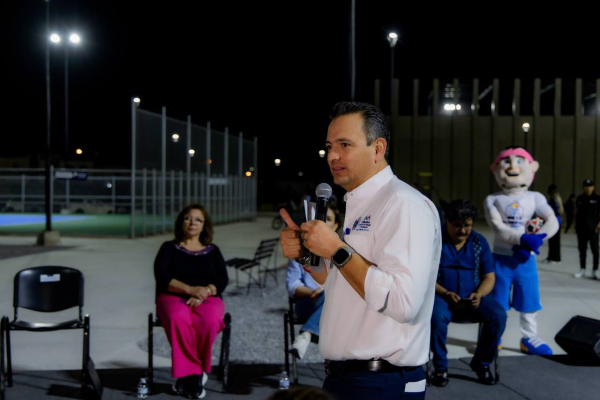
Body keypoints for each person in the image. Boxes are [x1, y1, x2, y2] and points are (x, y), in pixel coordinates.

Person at [279, 101, 441, 400]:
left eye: (345, 144)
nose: (332, 156)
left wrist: (336, 248)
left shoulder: (402, 204)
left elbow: (403, 302)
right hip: (349, 377)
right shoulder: (361, 203)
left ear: (378, 149)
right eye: (329, 146)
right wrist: (304, 253)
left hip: (382, 381)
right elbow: (340, 281)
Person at [484, 146, 559, 356]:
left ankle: (529, 337)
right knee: (497, 301)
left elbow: (552, 219)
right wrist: (523, 239)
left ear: (532, 167)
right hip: (501, 258)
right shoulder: (492, 199)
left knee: (529, 300)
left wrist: (538, 238)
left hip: (526, 260)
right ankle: (494, 335)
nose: (513, 166)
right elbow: (497, 226)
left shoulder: (535, 197)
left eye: (519, 161)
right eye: (506, 161)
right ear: (495, 168)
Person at [154, 203, 229, 399]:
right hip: (173, 296)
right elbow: (161, 276)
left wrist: (205, 291)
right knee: (178, 319)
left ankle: (188, 374)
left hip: (207, 296)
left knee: (209, 321)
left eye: (198, 219)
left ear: (204, 225)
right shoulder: (168, 248)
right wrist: (190, 290)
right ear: (181, 222)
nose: (192, 222)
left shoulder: (212, 250)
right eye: (188, 218)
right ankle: (194, 374)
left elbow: (222, 279)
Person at [430, 199, 507, 387]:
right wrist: (445, 293)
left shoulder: (479, 242)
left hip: (473, 298)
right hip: (442, 297)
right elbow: (425, 277)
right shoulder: (434, 241)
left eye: (467, 225)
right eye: (457, 225)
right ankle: (440, 367)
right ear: (447, 221)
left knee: (498, 316)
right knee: (435, 318)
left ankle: (482, 363)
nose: (463, 230)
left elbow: (489, 276)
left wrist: (479, 294)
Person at [286, 204, 340, 360]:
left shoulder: (342, 253)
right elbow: (292, 284)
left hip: (335, 305)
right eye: (320, 218)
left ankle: (306, 335)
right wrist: (315, 292)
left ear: (336, 225)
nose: (323, 222)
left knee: (332, 296)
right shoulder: (300, 251)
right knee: (331, 297)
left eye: (328, 219)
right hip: (308, 302)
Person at [574, 180, 600, 279]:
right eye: (586, 186)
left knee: (595, 250)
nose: (588, 188)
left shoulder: (597, 198)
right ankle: (582, 269)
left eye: (590, 186)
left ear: (593, 187)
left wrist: (598, 226)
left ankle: (595, 270)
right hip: (582, 229)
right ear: (583, 187)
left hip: (593, 229)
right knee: (582, 250)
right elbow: (577, 214)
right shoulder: (580, 199)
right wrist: (576, 227)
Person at [545, 184, 564, 263]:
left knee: (554, 240)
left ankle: (556, 258)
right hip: (555, 221)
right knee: (552, 240)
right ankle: (551, 256)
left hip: (555, 222)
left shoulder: (553, 200)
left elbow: (554, 211)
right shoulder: (556, 199)